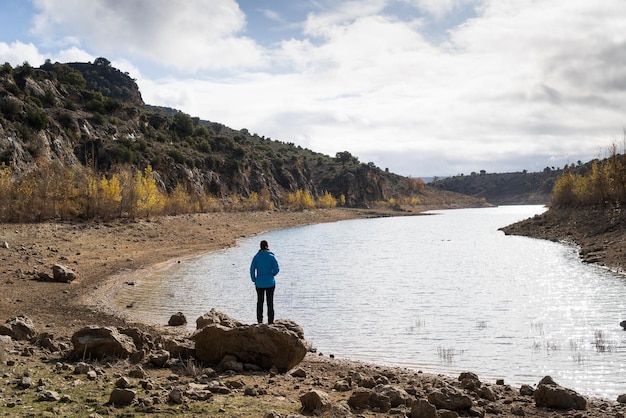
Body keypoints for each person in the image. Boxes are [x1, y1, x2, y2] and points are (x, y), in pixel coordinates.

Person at [250, 240, 280, 324]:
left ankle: (260, 320)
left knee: (260, 302)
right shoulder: (271, 256)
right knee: (270, 302)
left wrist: (254, 279)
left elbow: (252, 269)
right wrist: (272, 275)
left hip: (259, 283)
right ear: (267, 246)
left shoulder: (256, 257)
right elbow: (277, 269)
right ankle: (270, 321)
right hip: (270, 282)